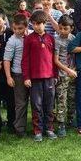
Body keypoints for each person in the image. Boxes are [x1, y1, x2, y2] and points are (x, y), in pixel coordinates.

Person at [22, 10, 57, 142]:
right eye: (34, 24)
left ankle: (49, 128)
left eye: (40, 24)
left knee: (49, 104)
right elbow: (25, 59)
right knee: (36, 105)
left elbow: (54, 59)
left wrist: (55, 75)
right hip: (35, 79)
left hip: (49, 77)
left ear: (45, 23)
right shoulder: (29, 39)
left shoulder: (50, 38)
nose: (37, 26)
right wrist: (26, 77)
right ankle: (37, 130)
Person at [3, 14, 29, 137]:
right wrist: (9, 76)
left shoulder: (32, 35)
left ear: (26, 27)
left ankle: (38, 127)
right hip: (18, 75)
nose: (17, 31)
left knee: (36, 102)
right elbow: (7, 60)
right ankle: (19, 128)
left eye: (20, 28)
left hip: (33, 74)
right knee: (20, 103)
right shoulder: (12, 41)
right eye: (15, 28)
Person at [54, 15, 77, 137]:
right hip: (62, 75)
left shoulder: (74, 38)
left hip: (73, 74)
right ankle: (61, 124)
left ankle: (71, 119)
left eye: (65, 28)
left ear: (71, 28)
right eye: (60, 28)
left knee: (72, 97)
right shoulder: (57, 40)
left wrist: (74, 70)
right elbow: (56, 61)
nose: (62, 31)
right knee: (62, 99)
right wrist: (68, 70)